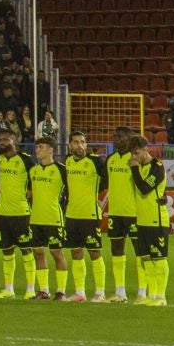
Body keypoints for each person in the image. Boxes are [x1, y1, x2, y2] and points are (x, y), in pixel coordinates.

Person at [61, 130, 107, 302]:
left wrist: (95, 192)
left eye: (82, 142)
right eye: (76, 142)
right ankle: (80, 292)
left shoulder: (95, 161)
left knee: (94, 252)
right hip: (72, 214)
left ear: (86, 145)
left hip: (90, 214)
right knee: (76, 252)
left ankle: (100, 292)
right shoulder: (67, 161)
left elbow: (107, 180)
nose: (79, 145)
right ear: (70, 145)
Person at [0, 130, 31, 299]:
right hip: (3, 212)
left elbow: (35, 180)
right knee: (7, 251)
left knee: (26, 250)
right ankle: (9, 289)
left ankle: (30, 289)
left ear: (15, 140)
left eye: (6, 139)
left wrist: (29, 194)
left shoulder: (25, 160)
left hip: (21, 212)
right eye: (0, 139)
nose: (2, 142)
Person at [130, 139, 170, 306]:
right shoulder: (140, 167)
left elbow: (144, 189)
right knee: (146, 259)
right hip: (142, 220)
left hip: (156, 220)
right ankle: (152, 295)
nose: (134, 157)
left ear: (145, 149)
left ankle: (161, 297)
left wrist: (133, 169)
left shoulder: (157, 167)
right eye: (132, 154)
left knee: (159, 259)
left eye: (136, 153)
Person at [26, 135, 65, 300]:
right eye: (36, 147)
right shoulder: (33, 171)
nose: (37, 150)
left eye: (40, 147)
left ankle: (61, 291)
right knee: (38, 253)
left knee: (57, 253)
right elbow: (29, 193)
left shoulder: (62, 170)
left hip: (54, 218)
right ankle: (44, 290)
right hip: (36, 218)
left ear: (51, 150)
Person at [102, 126, 137, 303]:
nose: (115, 139)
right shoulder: (111, 159)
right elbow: (105, 184)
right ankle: (120, 292)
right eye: (114, 136)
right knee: (116, 249)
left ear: (129, 139)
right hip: (115, 213)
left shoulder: (136, 159)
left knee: (141, 252)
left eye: (119, 136)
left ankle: (143, 292)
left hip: (134, 212)